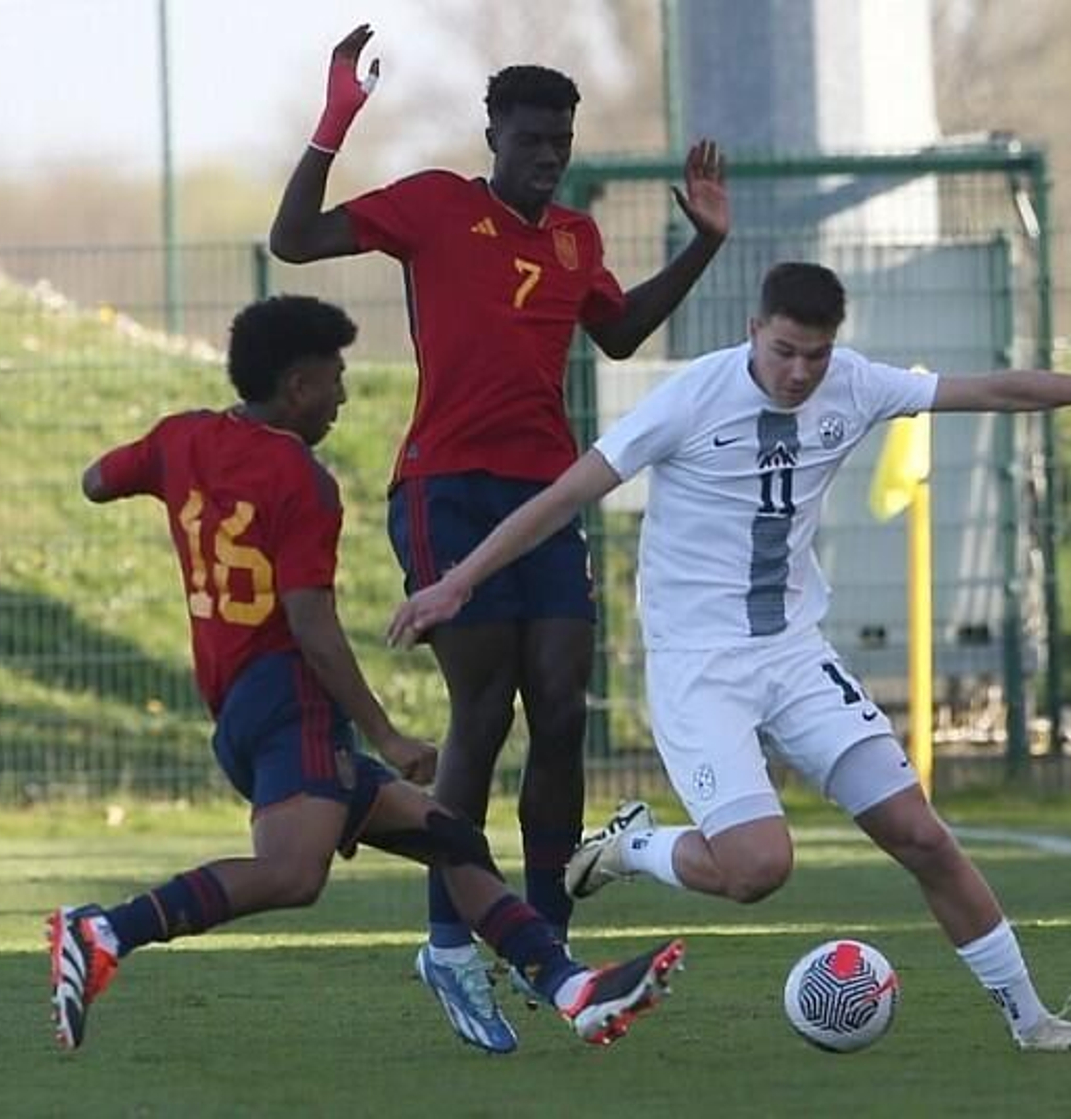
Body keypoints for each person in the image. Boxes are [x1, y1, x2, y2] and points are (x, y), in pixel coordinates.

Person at [388, 262, 1071, 1052]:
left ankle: (1032, 1020)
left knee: (920, 834)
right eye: (784, 351)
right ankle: (630, 847)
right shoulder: (691, 399)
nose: (800, 372)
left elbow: (990, 388)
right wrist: (456, 584)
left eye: (816, 354)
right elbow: (563, 496)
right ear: (755, 332)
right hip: (698, 665)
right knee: (757, 869)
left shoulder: (854, 382)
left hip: (793, 653)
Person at [46, 295, 684, 1054]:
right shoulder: (301, 478)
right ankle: (106, 928)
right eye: (334, 378)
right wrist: (386, 730)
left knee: (451, 837)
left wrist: (183, 457)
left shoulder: (182, 437)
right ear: (296, 388)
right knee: (292, 874)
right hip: (292, 705)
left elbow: (93, 479)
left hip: (239, 710)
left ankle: (570, 987)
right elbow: (311, 623)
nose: (344, 394)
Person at [268, 24, 730, 1053]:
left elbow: (617, 333)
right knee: (484, 706)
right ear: (494, 135)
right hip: (446, 491)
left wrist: (701, 243)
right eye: (529, 140)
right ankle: (447, 941)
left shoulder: (575, 238)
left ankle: (547, 948)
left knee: (561, 704)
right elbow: (293, 241)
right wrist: (337, 119)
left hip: (548, 497)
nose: (546, 157)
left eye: (558, 142)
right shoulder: (435, 207)